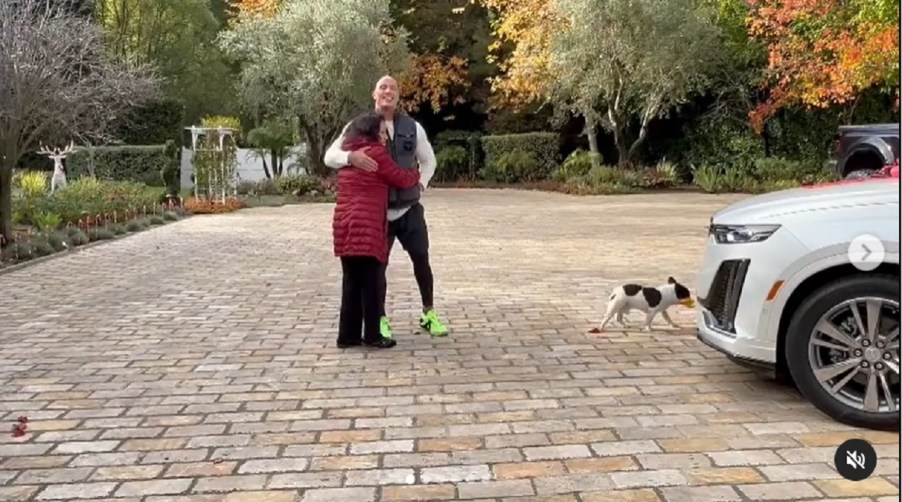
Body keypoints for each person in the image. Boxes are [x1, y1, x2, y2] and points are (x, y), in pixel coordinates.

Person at [324, 75, 449, 338]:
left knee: (422, 260)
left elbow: (429, 161)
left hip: (409, 209)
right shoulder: (358, 126)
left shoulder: (413, 128)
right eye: (382, 87)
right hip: (377, 214)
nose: (387, 91)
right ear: (374, 94)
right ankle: (379, 319)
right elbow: (330, 156)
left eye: (393, 88)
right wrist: (350, 157)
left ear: (398, 95)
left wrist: (421, 185)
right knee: (376, 270)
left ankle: (429, 313)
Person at [332, 112, 423, 349]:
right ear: (371, 133)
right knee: (371, 283)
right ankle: (373, 336)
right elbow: (400, 178)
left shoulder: (348, 155)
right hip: (368, 226)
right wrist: (417, 173)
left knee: (351, 282)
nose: (385, 138)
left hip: (345, 225)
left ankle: (347, 336)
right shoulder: (375, 153)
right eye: (382, 133)